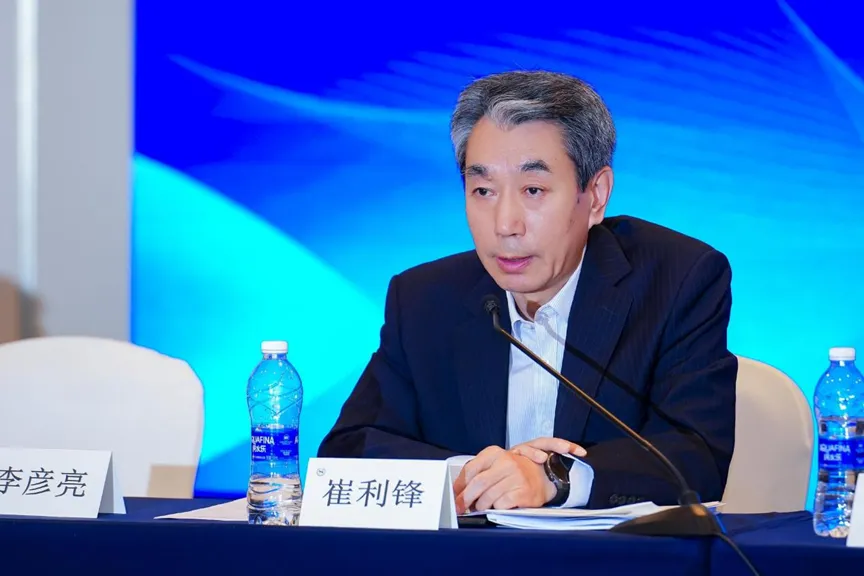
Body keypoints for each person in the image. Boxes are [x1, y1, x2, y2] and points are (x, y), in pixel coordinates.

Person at [318, 70, 736, 513]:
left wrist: (554, 478)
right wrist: (473, 475)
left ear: (595, 196)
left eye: (533, 190)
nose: (505, 225)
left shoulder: (677, 280)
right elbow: (348, 453)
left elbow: (698, 458)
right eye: (483, 190)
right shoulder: (424, 299)